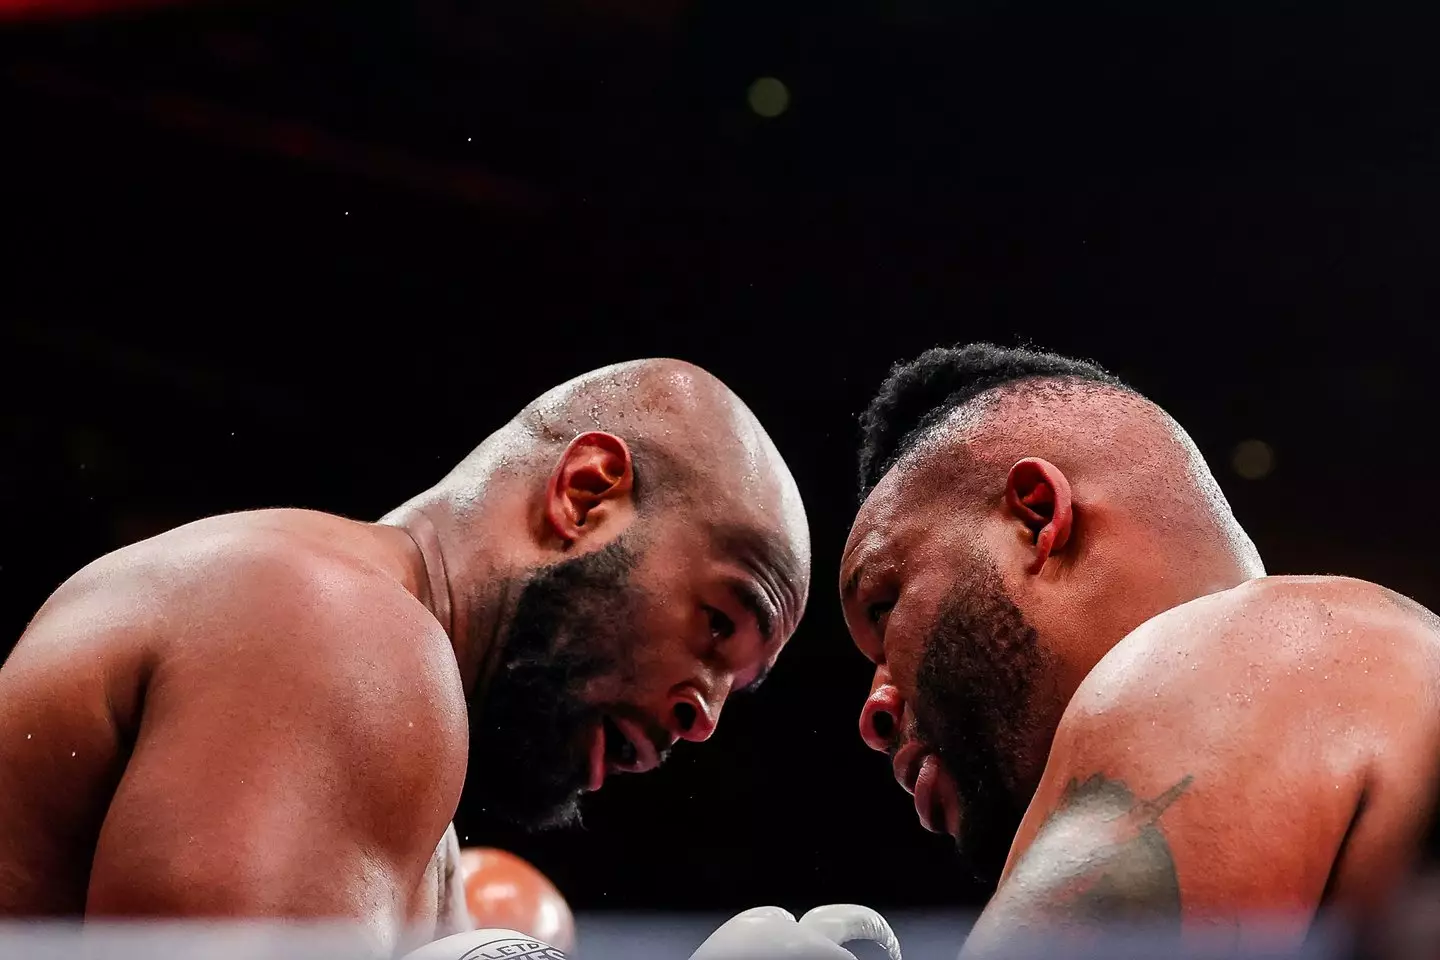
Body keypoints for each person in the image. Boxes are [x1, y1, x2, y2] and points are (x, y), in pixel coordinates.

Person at [0, 358, 810, 955]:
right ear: (587, 494)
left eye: (737, 687)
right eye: (717, 623)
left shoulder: (363, 711)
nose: (704, 717)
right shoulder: (336, 628)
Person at [840, 343, 1440, 954]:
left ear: (1038, 516)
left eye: (883, 607)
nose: (873, 712)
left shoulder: (1236, 652)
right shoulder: (1377, 678)